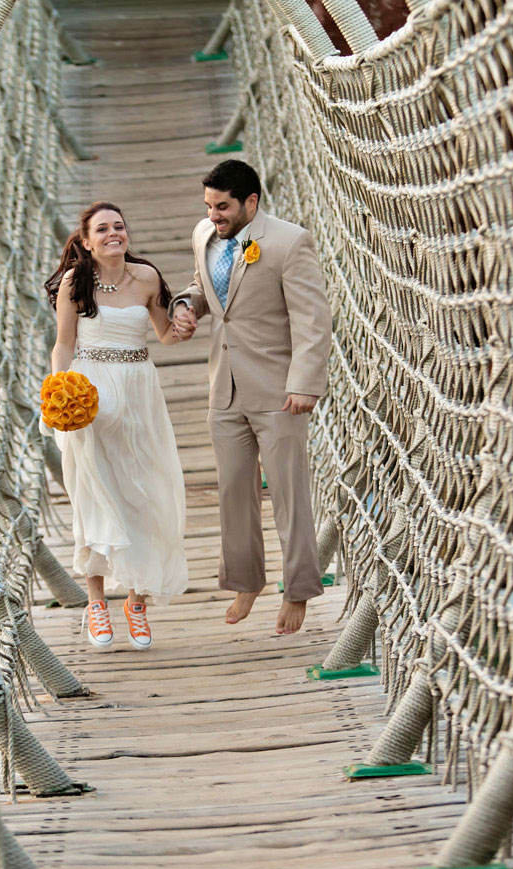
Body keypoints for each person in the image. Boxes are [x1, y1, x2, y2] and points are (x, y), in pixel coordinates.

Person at [169, 160, 333, 635]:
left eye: (223, 207)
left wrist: (305, 383)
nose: (213, 215)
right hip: (224, 387)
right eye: (209, 206)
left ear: (251, 202)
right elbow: (202, 286)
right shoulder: (204, 235)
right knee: (233, 491)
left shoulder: (288, 241)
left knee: (289, 494)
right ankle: (246, 580)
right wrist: (186, 306)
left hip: (280, 391)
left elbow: (312, 320)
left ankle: (298, 589)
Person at [45, 201, 190, 650]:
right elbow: (63, 344)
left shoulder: (146, 277)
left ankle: (136, 602)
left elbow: (165, 334)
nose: (114, 234)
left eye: (119, 226)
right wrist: (59, 393)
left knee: (143, 493)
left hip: (138, 392)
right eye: (102, 229)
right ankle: (95, 603)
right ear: (86, 242)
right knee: (95, 495)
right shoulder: (76, 282)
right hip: (90, 394)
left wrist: (183, 323)